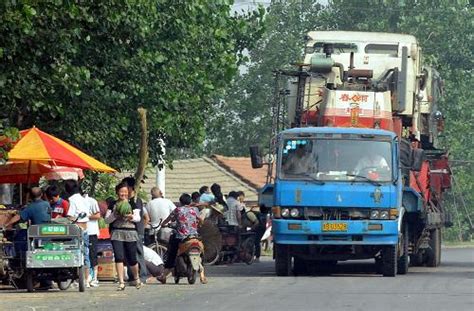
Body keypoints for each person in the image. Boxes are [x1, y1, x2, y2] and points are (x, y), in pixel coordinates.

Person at [158, 193, 207, 284]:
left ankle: (164, 275)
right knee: (201, 253)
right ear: (189, 202)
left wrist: (163, 224)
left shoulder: (177, 210)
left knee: (171, 254)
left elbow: (168, 220)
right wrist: (198, 224)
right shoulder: (193, 210)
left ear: (180, 202)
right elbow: (200, 220)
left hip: (181, 237)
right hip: (194, 236)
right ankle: (202, 275)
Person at [105, 182, 142, 290]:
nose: (123, 194)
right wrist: (114, 215)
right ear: (117, 192)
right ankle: (121, 282)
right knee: (119, 257)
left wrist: (131, 217)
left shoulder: (132, 203)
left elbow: (138, 218)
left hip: (130, 233)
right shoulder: (113, 204)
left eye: (125, 192)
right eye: (121, 192)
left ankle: (136, 278)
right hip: (117, 232)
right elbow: (106, 219)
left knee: (132, 258)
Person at [121, 177, 149, 284]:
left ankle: (142, 276)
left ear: (130, 187)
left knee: (137, 253)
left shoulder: (136, 201)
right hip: (128, 232)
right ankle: (132, 276)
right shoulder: (127, 201)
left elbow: (138, 217)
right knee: (129, 254)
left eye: (125, 186)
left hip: (136, 231)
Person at [65, 180, 92, 287]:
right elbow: (87, 214)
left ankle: (78, 278)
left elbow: (70, 215)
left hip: (77, 229)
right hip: (85, 228)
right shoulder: (83, 198)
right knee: (85, 253)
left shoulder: (72, 199)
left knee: (74, 252)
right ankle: (86, 279)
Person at [84, 193, 101, 288]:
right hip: (81, 231)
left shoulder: (92, 201)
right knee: (84, 255)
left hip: (91, 231)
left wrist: (86, 216)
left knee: (92, 255)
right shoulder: (75, 201)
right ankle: (86, 277)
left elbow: (98, 215)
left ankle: (94, 277)